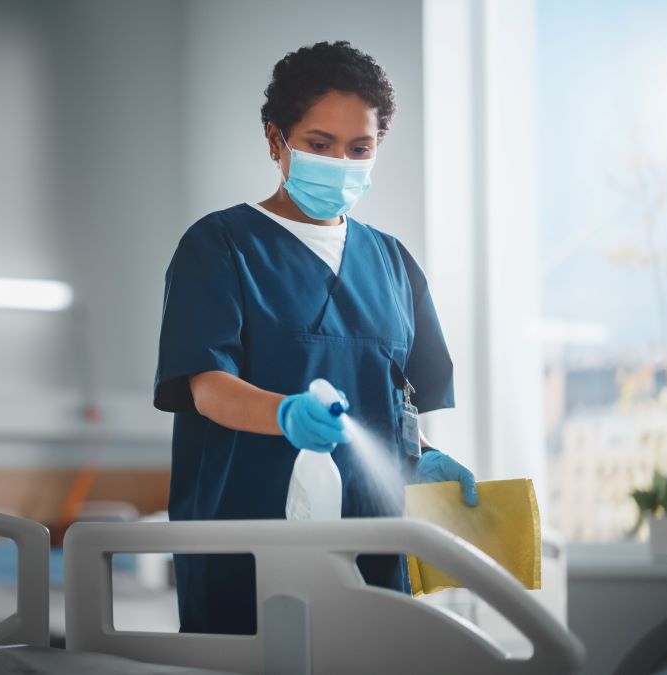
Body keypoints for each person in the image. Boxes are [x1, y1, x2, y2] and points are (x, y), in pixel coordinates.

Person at [153, 41, 478, 636]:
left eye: (360, 148)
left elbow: (395, 402)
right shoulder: (220, 246)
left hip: (373, 547)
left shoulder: (393, 264)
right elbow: (208, 387)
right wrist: (286, 415)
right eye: (320, 145)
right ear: (275, 140)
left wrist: (424, 458)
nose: (341, 163)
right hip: (248, 545)